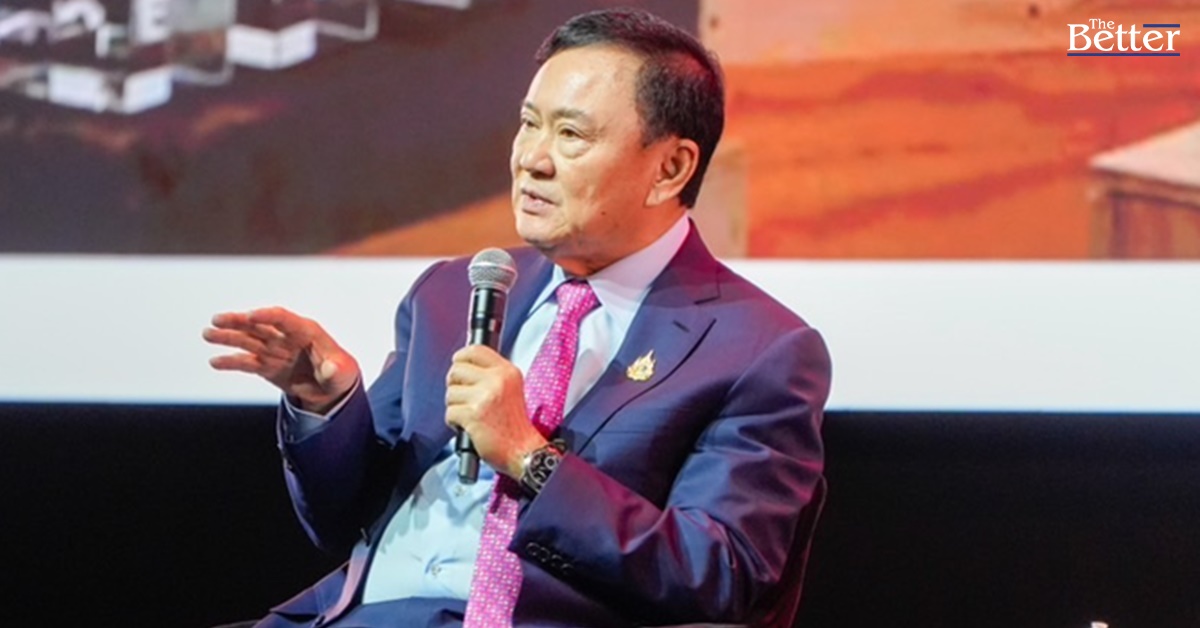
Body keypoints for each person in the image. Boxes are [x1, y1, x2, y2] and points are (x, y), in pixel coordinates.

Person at [204, 7, 831, 627]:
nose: (532, 159)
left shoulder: (757, 349)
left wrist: (531, 458)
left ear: (670, 169)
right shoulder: (450, 292)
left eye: (571, 135)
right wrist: (327, 405)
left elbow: (719, 575)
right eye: (529, 124)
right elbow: (346, 523)